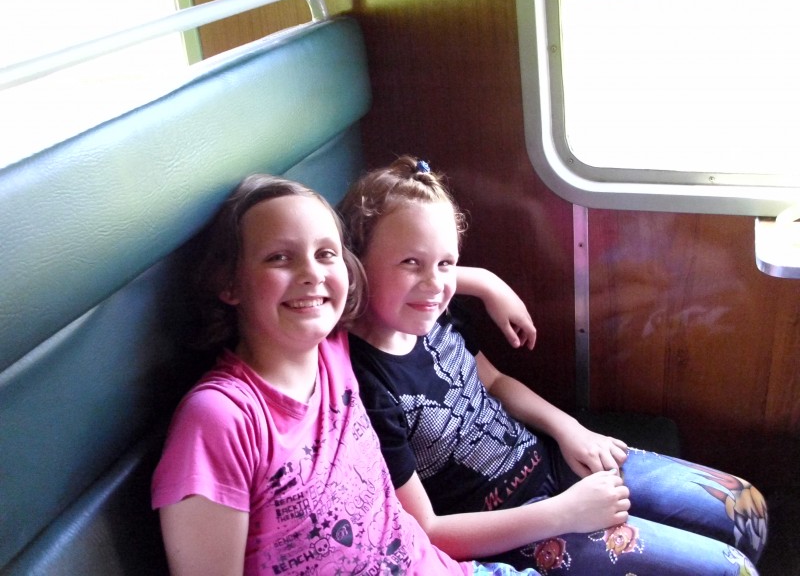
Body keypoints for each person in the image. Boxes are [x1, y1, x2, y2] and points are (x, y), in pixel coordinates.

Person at [337, 156, 769, 575]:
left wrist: (570, 430)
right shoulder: (366, 386)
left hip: (549, 462)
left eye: (446, 263)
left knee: (745, 507)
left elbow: (495, 381)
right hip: (514, 530)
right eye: (411, 262)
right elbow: (427, 533)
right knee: (732, 570)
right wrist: (564, 513)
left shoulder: (435, 315)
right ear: (355, 265)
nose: (435, 283)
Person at [150, 174, 540, 576]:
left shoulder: (334, 344)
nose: (312, 274)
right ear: (229, 283)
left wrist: (488, 284)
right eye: (279, 257)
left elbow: (404, 284)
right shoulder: (221, 419)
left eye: (325, 254)